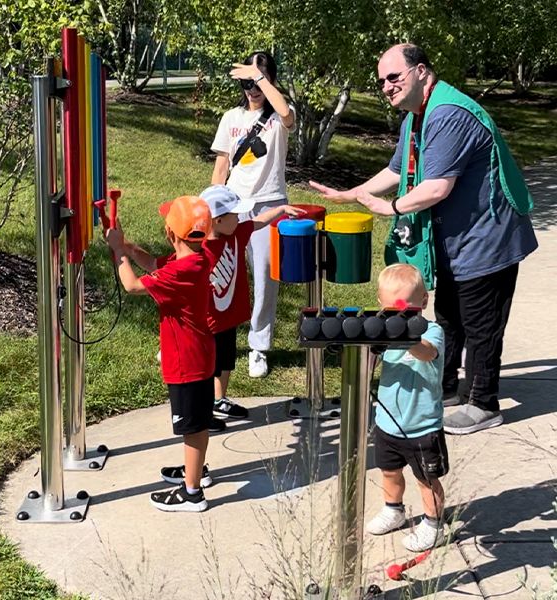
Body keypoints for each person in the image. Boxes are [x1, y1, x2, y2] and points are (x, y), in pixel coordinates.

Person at [310, 43, 538, 435]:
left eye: (393, 77)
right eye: (381, 80)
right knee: (450, 315)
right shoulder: (416, 116)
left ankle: (483, 401)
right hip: (455, 241)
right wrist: (354, 193)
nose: (386, 86)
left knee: (481, 323)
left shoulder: (448, 113)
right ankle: (447, 387)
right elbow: (397, 170)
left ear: (421, 72)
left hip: (487, 239)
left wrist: (390, 209)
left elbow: (436, 187)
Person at [105, 195, 215, 512]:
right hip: (198, 355)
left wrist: (117, 252)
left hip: (187, 362)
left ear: (170, 234)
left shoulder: (183, 272)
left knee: (192, 427)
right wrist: (126, 244)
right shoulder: (198, 256)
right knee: (197, 422)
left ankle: (192, 492)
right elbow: (154, 264)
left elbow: (133, 285)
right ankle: (195, 471)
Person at [211, 51, 295, 378]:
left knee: (264, 276)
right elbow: (220, 167)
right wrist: (214, 206)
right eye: (247, 81)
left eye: (258, 79)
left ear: (270, 78)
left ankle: (258, 346)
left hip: (270, 203)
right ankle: (212, 336)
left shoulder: (280, 118)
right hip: (234, 204)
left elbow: (286, 112)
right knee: (221, 275)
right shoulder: (231, 118)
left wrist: (258, 75)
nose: (252, 88)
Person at [199, 184, 305, 421]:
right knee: (206, 366)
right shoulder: (199, 248)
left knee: (226, 360)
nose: (240, 217)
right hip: (207, 321)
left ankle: (219, 400)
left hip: (229, 316)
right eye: (235, 214)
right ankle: (202, 412)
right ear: (216, 220)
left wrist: (281, 210)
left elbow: (259, 221)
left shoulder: (236, 233)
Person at [366, 263, 448, 552]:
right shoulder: (383, 330)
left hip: (422, 425)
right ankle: (393, 509)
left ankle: (433, 524)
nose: (399, 317)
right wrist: (372, 348)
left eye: (407, 311)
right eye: (392, 311)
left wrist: (404, 336)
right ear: (381, 304)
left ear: (424, 302)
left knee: (426, 479)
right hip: (388, 423)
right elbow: (370, 363)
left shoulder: (432, 331)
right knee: (389, 471)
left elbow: (427, 353)